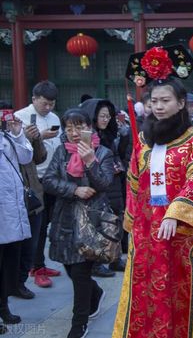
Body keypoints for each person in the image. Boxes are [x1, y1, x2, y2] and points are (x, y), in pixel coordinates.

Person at [113, 45, 193, 338]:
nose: (158, 106)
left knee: (178, 287)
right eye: (154, 100)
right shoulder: (144, 139)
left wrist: (177, 213)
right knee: (145, 287)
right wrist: (131, 221)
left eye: (165, 100)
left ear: (182, 103)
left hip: (180, 232)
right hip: (146, 230)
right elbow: (134, 179)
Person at [42, 108, 114, 338]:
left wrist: (90, 161)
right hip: (65, 218)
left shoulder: (103, 153)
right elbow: (49, 181)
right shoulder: (61, 152)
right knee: (70, 268)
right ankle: (95, 292)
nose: (74, 132)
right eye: (69, 127)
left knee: (81, 273)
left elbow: (104, 184)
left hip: (92, 221)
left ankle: (78, 323)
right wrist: (74, 189)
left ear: (89, 127)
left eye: (79, 126)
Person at [15, 80, 62, 288]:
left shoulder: (54, 117)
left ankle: (40, 263)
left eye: (52, 103)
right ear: (34, 99)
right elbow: (18, 151)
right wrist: (38, 137)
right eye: (45, 103)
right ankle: (34, 268)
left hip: (53, 177)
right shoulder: (20, 118)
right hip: (34, 181)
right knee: (37, 226)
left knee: (48, 224)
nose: (48, 107)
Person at [81, 98, 128, 276]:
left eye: (108, 116)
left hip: (115, 181)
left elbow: (121, 155)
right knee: (98, 224)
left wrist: (124, 137)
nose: (106, 120)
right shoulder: (87, 136)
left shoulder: (111, 134)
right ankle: (95, 263)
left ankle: (114, 259)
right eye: (102, 116)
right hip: (97, 184)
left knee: (115, 220)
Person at [0, 108, 33, 334]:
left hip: (12, 212)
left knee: (8, 264)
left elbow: (26, 157)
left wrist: (18, 132)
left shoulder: (6, 138)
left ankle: (3, 306)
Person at [14, 107, 48, 300]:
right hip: (12, 202)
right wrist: (22, 139)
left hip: (33, 199)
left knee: (30, 246)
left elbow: (40, 158)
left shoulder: (25, 133)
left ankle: (19, 283)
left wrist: (35, 139)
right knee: (13, 249)